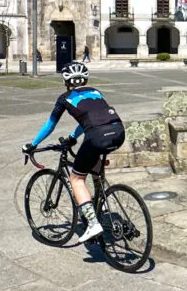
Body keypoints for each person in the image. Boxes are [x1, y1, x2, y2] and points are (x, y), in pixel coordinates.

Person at [22, 62, 124, 242]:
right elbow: (89, 119)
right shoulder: (96, 92)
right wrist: (72, 136)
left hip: (97, 136)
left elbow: (50, 125)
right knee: (94, 164)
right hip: (118, 131)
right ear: (86, 78)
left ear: (65, 80)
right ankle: (101, 202)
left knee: (76, 179)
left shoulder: (64, 98)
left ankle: (93, 224)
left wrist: (33, 144)